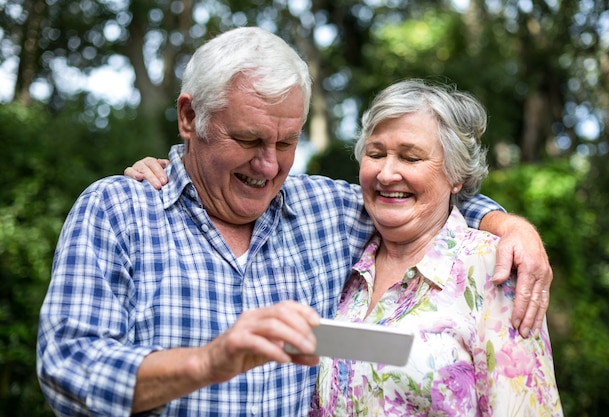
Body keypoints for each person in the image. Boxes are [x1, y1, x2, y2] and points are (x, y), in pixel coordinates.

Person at [37, 26, 551, 417]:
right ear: (190, 118)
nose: (268, 166)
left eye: (286, 143)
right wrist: (208, 363)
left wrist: (509, 228)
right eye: (248, 140)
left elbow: (418, 204)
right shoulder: (118, 211)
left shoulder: (326, 209)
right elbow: (67, 367)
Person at [306, 79, 562, 415]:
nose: (386, 173)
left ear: (456, 175)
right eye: (376, 153)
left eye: (410, 158)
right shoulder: (348, 265)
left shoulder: (493, 270)